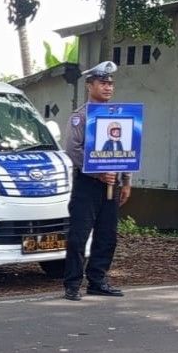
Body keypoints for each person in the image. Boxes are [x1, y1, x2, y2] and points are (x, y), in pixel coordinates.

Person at [62, 61, 131, 301]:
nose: (108, 87)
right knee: (79, 236)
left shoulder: (120, 116)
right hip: (88, 185)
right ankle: (72, 284)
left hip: (113, 185)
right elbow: (73, 150)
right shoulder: (81, 117)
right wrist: (98, 173)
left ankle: (98, 280)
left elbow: (127, 149)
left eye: (110, 83)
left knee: (107, 235)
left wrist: (126, 180)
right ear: (89, 85)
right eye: (102, 83)